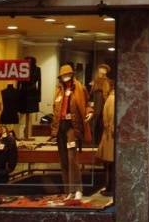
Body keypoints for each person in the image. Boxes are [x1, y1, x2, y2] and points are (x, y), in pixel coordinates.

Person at [50, 64, 92, 201]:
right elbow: (55, 108)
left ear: (72, 75)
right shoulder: (58, 90)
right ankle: (69, 190)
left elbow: (87, 103)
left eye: (68, 74)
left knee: (72, 158)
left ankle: (78, 189)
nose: (66, 77)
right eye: (63, 75)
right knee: (63, 159)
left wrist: (90, 112)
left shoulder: (80, 88)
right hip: (60, 127)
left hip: (72, 126)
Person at [95, 83, 115, 196]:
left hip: (109, 136)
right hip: (111, 137)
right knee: (111, 164)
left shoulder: (110, 98)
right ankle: (110, 188)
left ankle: (109, 187)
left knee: (109, 165)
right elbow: (112, 117)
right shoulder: (113, 99)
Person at [86, 63, 112, 144]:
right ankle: (94, 137)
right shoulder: (96, 80)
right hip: (96, 98)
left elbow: (105, 93)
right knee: (95, 117)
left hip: (100, 99)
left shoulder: (105, 81)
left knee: (97, 117)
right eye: (101, 69)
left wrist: (105, 104)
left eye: (103, 70)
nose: (101, 71)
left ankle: (96, 138)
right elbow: (91, 91)